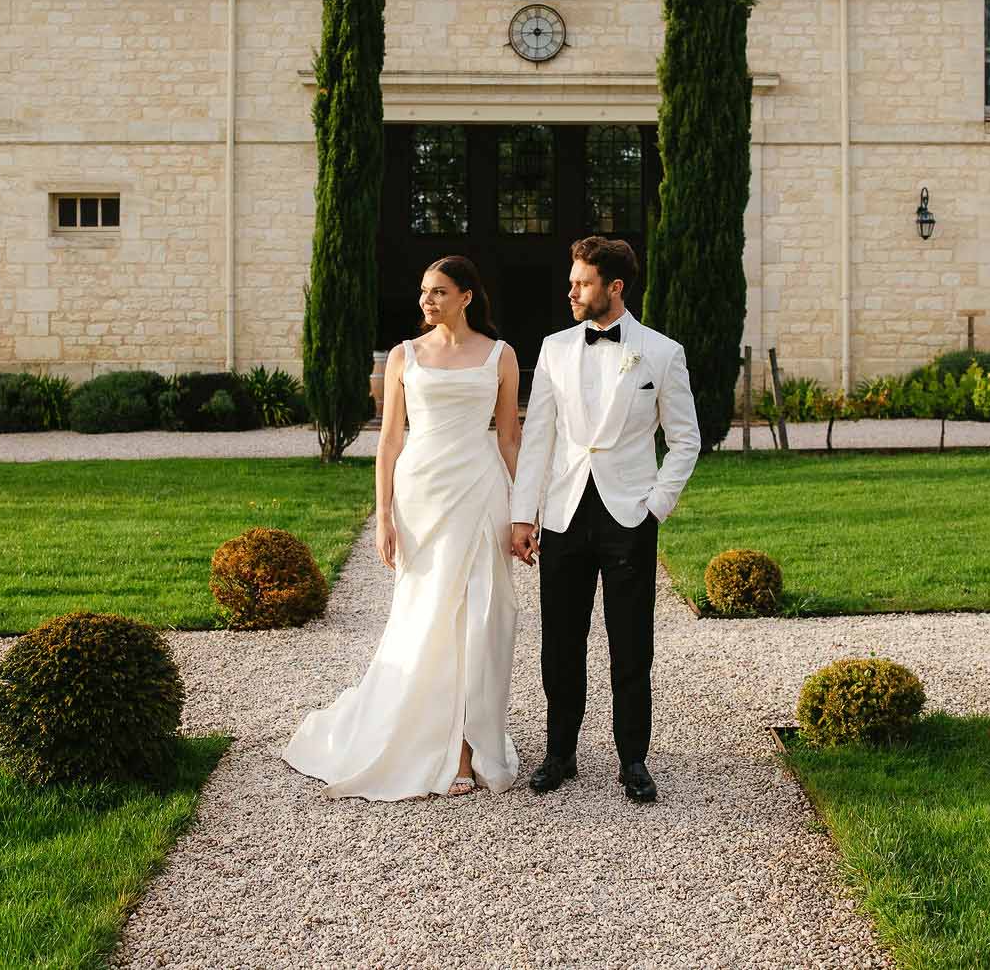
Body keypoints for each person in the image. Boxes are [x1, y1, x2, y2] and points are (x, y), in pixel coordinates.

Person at [283, 255, 524, 800]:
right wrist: (384, 516)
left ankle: (465, 747)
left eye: (439, 291)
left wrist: (526, 510)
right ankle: (418, 733)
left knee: (480, 618)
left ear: (467, 296)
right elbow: (389, 442)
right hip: (421, 493)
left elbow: (510, 439)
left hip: (481, 490)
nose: (427, 301)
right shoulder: (403, 356)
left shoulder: (500, 356)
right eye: (423, 292)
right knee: (427, 616)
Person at [509, 236, 700, 803]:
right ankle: (560, 754)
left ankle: (634, 760)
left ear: (614, 288)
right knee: (560, 643)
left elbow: (685, 441)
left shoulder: (662, 353)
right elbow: (539, 434)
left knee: (631, 642)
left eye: (583, 282)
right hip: (565, 513)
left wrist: (655, 505)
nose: (571, 290)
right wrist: (524, 514)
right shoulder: (553, 349)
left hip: (628, 516)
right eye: (572, 281)